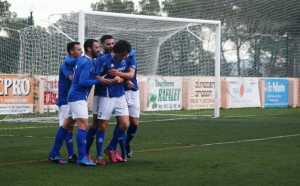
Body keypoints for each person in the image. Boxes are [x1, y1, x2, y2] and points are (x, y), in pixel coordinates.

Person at [48, 39, 109, 166]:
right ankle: (82, 157)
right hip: (77, 97)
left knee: (66, 126)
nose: (99, 49)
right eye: (97, 47)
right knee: (84, 126)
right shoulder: (86, 61)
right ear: (89, 49)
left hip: (74, 96)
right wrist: (99, 81)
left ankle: (54, 153)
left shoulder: (84, 60)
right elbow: (82, 81)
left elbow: (70, 63)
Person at [87, 40, 132, 164]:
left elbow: (127, 75)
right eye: (123, 54)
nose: (125, 57)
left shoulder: (124, 59)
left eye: (126, 54)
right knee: (102, 125)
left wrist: (123, 79)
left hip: (120, 95)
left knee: (124, 124)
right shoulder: (104, 60)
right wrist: (111, 80)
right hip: (106, 96)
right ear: (116, 52)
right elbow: (97, 76)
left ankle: (111, 147)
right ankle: (99, 156)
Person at [85, 35, 115, 165]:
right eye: (108, 44)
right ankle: (88, 153)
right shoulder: (97, 58)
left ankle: (101, 153)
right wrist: (100, 78)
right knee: (97, 124)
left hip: (111, 94)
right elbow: (94, 75)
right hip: (99, 94)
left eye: (112, 43)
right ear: (103, 45)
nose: (111, 46)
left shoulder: (113, 56)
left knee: (100, 124)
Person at [108, 49, 139, 161]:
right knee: (122, 123)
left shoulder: (131, 57)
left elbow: (131, 74)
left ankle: (126, 143)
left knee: (134, 123)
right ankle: (122, 152)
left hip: (133, 91)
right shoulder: (113, 59)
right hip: (121, 92)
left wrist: (121, 76)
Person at [55, 42, 82, 163]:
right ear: (72, 52)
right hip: (65, 100)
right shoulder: (65, 65)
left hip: (73, 100)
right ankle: (56, 153)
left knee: (69, 127)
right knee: (65, 127)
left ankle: (71, 155)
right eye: (79, 49)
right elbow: (72, 78)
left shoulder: (78, 63)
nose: (81, 52)